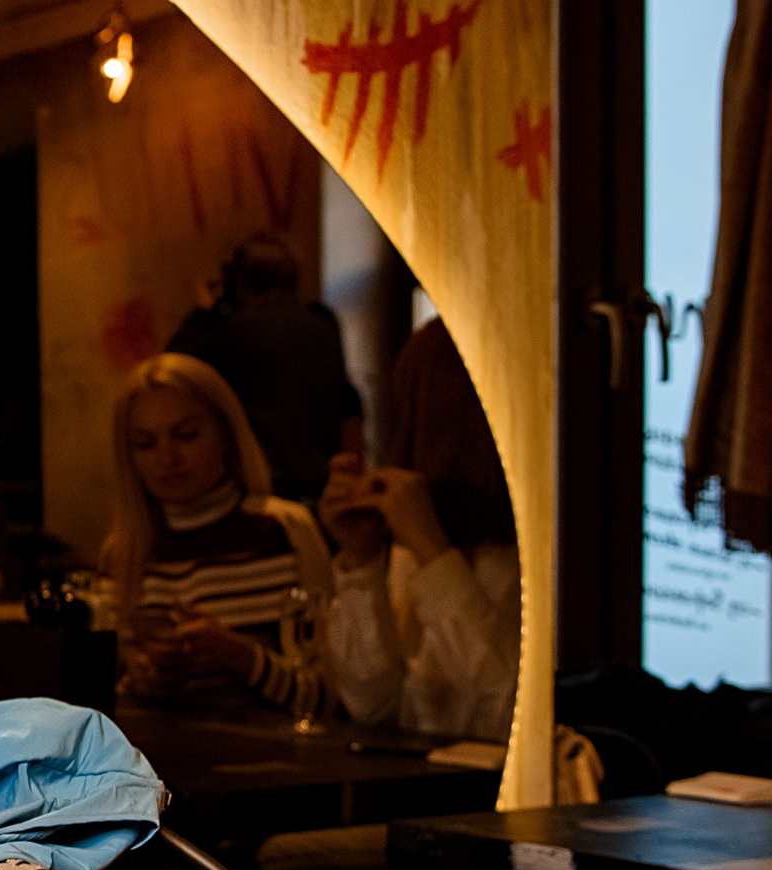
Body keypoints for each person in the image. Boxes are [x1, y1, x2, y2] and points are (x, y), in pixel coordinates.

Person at [320, 317, 519, 742]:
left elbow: (507, 716)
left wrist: (433, 551)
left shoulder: (532, 554)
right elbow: (373, 706)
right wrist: (361, 562)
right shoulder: (411, 549)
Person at [106, 353, 333, 706]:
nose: (167, 458)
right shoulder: (124, 552)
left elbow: (331, 699)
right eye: (146, 444)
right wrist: (143, 678)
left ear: (226, 434)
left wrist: (241, 658)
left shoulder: (284, 529)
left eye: (186, 435)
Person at [167, 234, 355, 504]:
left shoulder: (238, 329)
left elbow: (174, 368)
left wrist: (206, 310)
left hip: (269, 482)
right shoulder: (323, 322)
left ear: (238, 282)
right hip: (321, 480)